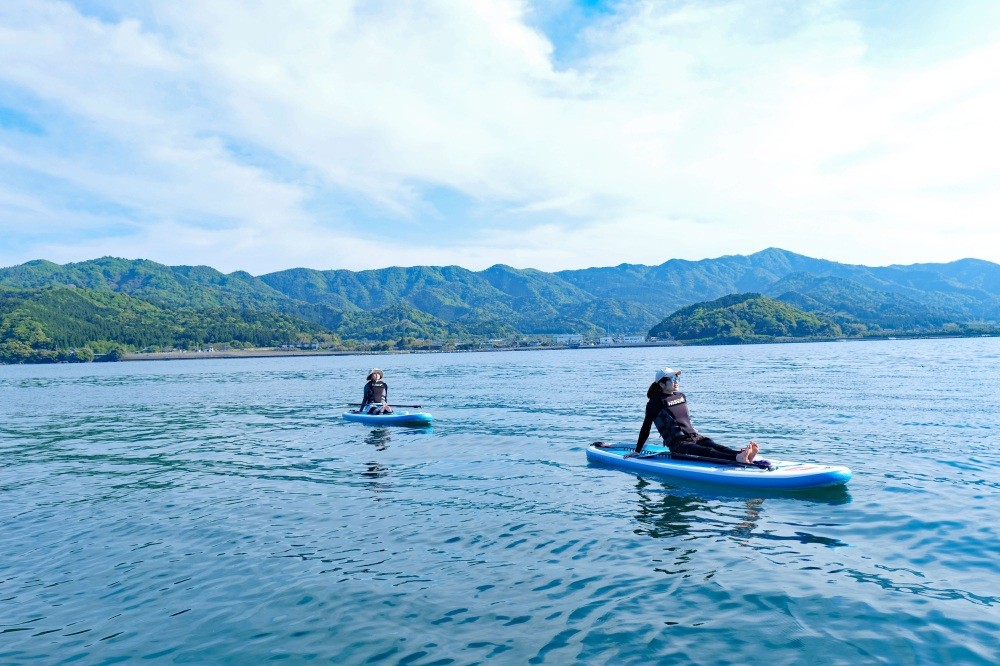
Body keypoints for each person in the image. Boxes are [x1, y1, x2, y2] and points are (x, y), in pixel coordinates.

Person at [628, 367, 758, 463]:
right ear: (662, 384)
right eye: (673, 379)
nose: (676, 381)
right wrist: (638, 450)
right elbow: (646, 428)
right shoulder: (655, 403)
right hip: (679, 445)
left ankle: (741, 454)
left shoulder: (680, 396)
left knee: (714, 445)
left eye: (677, 378)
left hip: (695, 436)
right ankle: (737, 458)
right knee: (707, 452)